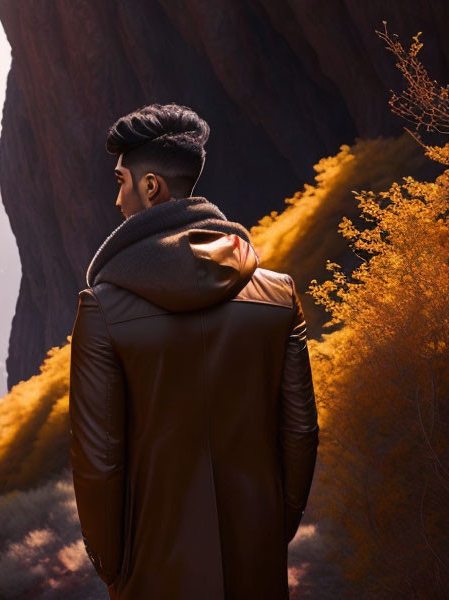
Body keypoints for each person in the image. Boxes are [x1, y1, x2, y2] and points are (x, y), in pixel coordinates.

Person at [68, 103, 319, 599]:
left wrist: (116, 567)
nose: (117, 199)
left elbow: (97, 461)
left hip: (152, 571)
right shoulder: (278, 295)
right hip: (256, 560)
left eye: (121, 181)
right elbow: (300, 432)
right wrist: (270, 528)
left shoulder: (102, 310)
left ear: (152, 187)